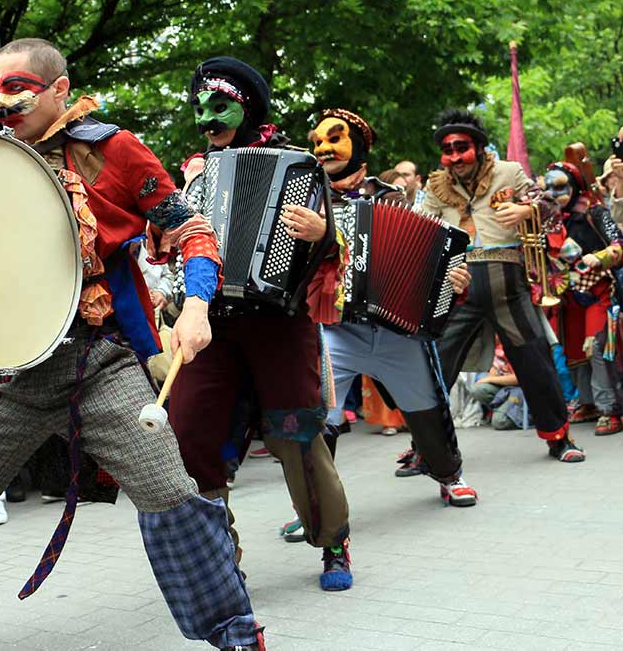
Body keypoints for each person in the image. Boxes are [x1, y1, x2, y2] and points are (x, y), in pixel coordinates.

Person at [0, 38, 265, 651]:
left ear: (61, 90)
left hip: (101, 360)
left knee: (171, 494)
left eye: (18, 89)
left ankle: (235, 632)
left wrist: (196, 306)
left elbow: (190, 226)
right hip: (12, 370)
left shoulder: (113, 150)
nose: (2, 101)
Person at [169, 56, 353, 591]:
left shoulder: (297, 167)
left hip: (279, 321)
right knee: (190, 434)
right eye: (200, 108)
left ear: (247, 107)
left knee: (297, 433)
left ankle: (333, 541)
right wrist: (163, 243)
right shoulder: (193, 174)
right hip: (211, 326)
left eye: (219, 106)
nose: (208, 119)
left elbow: (337, 253)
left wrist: (321, 233)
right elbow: (169, 246)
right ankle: (219, 560)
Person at [304, 108, 478, 507]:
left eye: (334, 139)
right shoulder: (305, 197)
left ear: (359, 147)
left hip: (395, 329)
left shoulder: (390, 197)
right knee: (320, 417)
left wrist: (451, 282)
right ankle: (316, 505)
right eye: (317, 142)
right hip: (334, 327)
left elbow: (422, 258)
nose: (324, 148)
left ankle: (449, 474)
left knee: (428, 406)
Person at [421, 108, 585, 462]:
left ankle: (559, 438)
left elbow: (550, 204)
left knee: (535, 359)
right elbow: (422, 232)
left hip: (506, 283)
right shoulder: (435, 186)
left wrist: (528, 211)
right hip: (458, 284)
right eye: (447, 150)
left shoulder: (508, 171)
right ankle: (424, 448)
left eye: (460, 147)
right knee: (434, 365)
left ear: (478, 147)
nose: (453, 157)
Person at [541, 161, 623, 436]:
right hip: (566, 295)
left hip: (598, 290)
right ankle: (587, 402)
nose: (553, 193)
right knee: (572, 351)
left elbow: (619, 244)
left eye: (561, 187)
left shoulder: (594, 211)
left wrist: (598, 257)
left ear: (575, 186)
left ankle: (610, 408)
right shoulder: (547, 219)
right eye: (548, 187)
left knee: (597, 348)